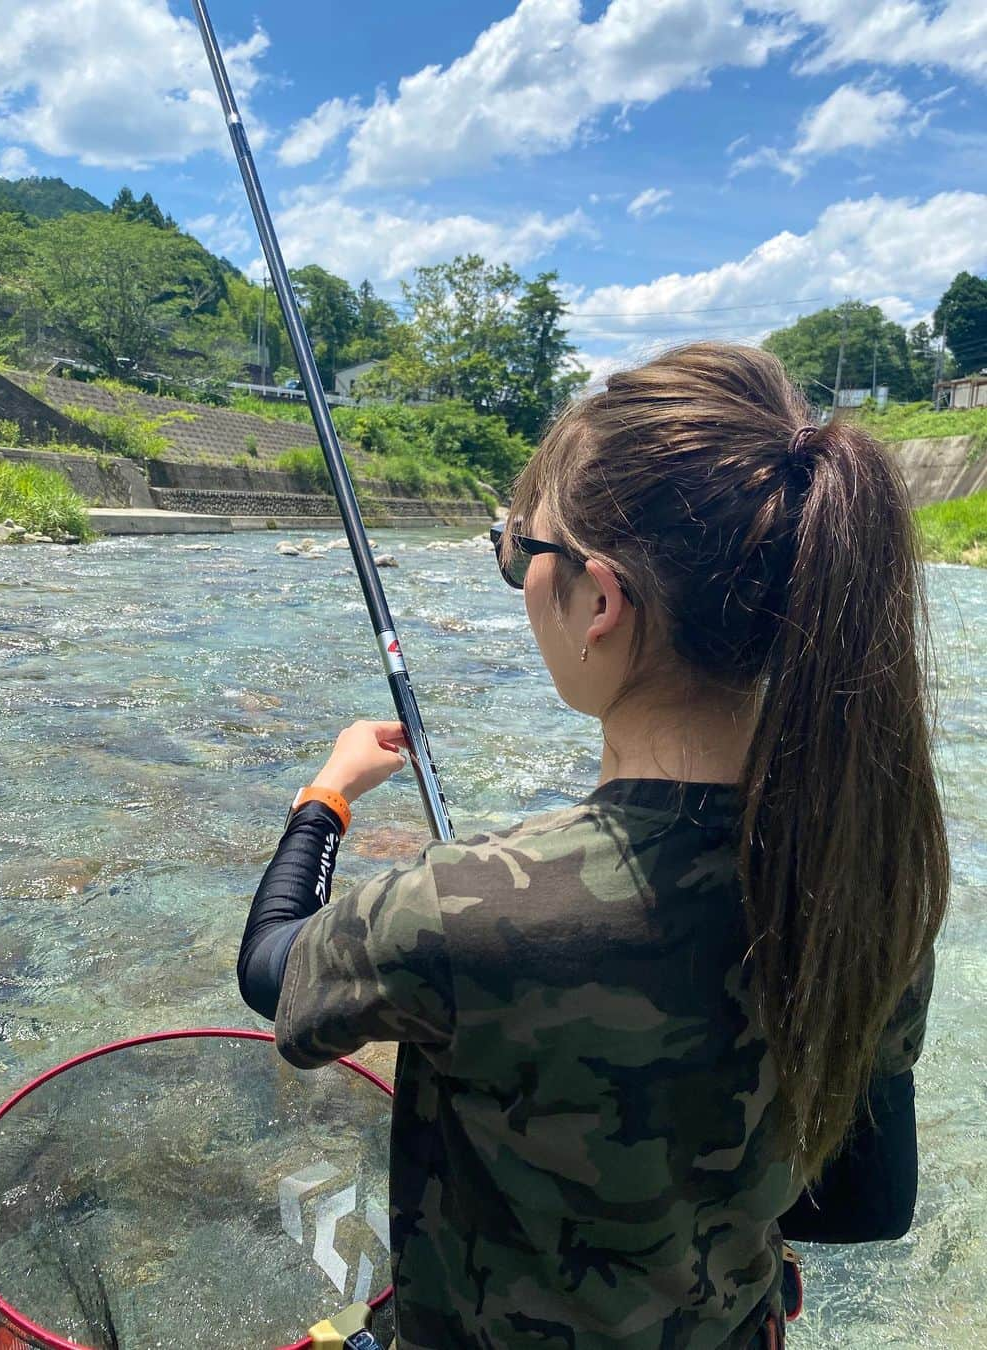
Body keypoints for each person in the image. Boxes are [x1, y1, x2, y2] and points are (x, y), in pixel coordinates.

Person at [238, 343, 949, 1349]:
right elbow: (870, 1206)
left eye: (523, 552)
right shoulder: (869, 885)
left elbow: (272, 969)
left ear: (602, 601)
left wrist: (327, 799)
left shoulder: (457, 910)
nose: (520, 579)